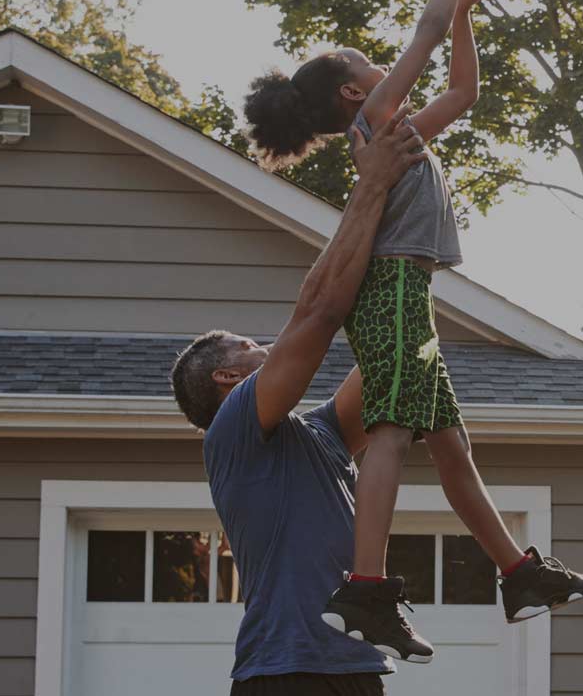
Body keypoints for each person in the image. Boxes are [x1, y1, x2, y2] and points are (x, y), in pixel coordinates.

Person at [239, 0, 583, 664]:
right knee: (394, 431)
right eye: (370, 65)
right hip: (393, 286)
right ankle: (366, 585)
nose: (382, 65)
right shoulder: (375, 122)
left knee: (452, 447)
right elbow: (425, 34)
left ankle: (519, 574)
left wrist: (465, 10)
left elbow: (464, 92)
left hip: (412, 292)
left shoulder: (398, 134)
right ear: (353, 91)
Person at [170, 110, 423, 695]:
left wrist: (411, 237)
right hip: (285, 673)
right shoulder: (232, 429)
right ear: (229, 378)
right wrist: (372, 184)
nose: (267, 346)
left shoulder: (321, 436)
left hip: (356, 668)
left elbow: (396, 358)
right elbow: (318, 313)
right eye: (251, 345)